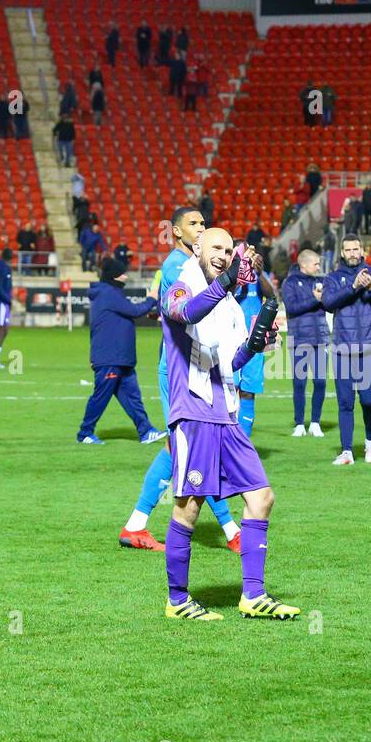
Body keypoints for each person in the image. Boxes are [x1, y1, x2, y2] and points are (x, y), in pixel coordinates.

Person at [159, 227, 297, 622]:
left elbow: (228, 363)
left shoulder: (229, 304)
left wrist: (255, 344)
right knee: (188, 506)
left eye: (226, 249)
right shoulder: (180, 283)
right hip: (194, 415)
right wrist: (226, 280)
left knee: (262, 497)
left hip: (227, 413)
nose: (221, 254)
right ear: (197, 248)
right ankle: (178, 600)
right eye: (215, 248)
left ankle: (253, 595)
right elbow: (184, 313)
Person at [120, 207, 240, 552]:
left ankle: (136, 524)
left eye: (204, 223)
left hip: (200, 366)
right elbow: (195, 309)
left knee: (184, 448)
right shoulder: (179, 266)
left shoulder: (199, 263)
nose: (201, 229)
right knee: (192, 448)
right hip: (181, 369)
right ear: (175, 231)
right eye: (193, 224)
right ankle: (231, 531)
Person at [77, 257, 166, 446]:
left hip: (120, 359)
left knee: (133, 398)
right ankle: (85, 433)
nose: (126, 276)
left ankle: (146, 431)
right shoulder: (108, 293)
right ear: (115, 276)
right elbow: (134, 311)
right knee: (101, 397)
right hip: (110, 358)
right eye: (123, 272)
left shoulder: (109, 292)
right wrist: (152, 298)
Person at [323, 235, 371, 465]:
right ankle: (346, 452)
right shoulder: (333, 278)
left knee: (368, 400)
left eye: (356, 249)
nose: (352, 253)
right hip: (343, 347)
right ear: (342, 253)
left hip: (369, 347)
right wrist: (353, 287)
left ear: (362, 250)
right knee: (345, 402)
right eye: (348, 249)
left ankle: (370, 443)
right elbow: (329, 303)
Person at [282, 249, 328, 438]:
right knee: (300, 384)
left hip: (320, 339)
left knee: (320, 382)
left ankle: (315, 423)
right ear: (304, 264)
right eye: (316, 263)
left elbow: (329, 305)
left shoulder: (322, 281)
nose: (318, 267)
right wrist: (315, 299)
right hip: (299, 340)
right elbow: (292, 308)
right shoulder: (289, 283)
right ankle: (300, 423)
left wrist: (324, 299)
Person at [233, 252, 276, 440]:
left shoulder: (257, 275)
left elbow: (272, 296)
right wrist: (238, 271)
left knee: (248, 393)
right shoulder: (225, 275)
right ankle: (225, 443)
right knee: (229, 392)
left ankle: (243, 444)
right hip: (229, 342)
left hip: (254, 342)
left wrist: (259, 273)